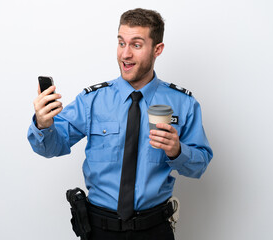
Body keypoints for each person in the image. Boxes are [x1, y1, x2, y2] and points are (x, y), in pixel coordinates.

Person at [28, 8, 213, 240]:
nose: (125, 54)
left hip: (154, 230)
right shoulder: (92, 101)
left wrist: (177, 151)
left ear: (158, 49)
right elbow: (50, 147)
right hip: (99, 229)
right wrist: (43, 124)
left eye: (136, 45)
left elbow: (200, 165)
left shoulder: (183, 103)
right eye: (121, 43)